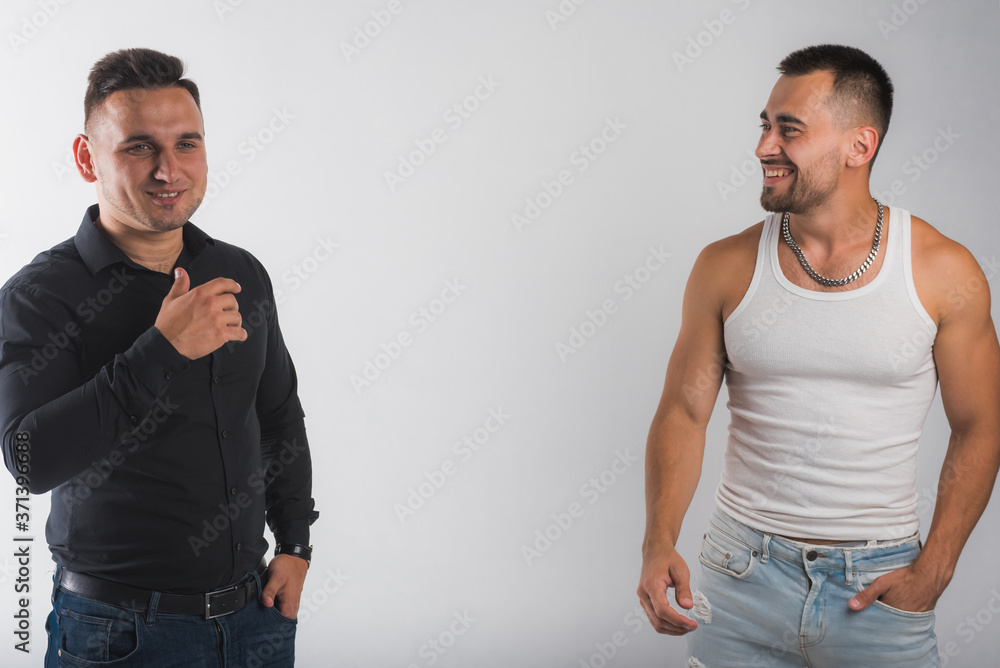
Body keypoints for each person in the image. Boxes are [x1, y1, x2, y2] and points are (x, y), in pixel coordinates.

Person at [637, 44, 999, 666]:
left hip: (877, 585)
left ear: (860, 145)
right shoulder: (724, 266)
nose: (763, 147)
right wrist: (658, 541)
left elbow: (980, 426)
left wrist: (935, 568)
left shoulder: (943, 271)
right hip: (739, 574)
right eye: (764, 125)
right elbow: (683, 412)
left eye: (790, 130)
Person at [0, 48, 318, 667]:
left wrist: (296, 545)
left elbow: (278, 416)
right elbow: (28, 461)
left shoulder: (239, 271)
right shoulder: (40, 296)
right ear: (87, 157)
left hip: (256, 617)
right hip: (117, 635)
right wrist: (162, 349)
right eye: (140, 146)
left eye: (186, 144)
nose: (169, 169)